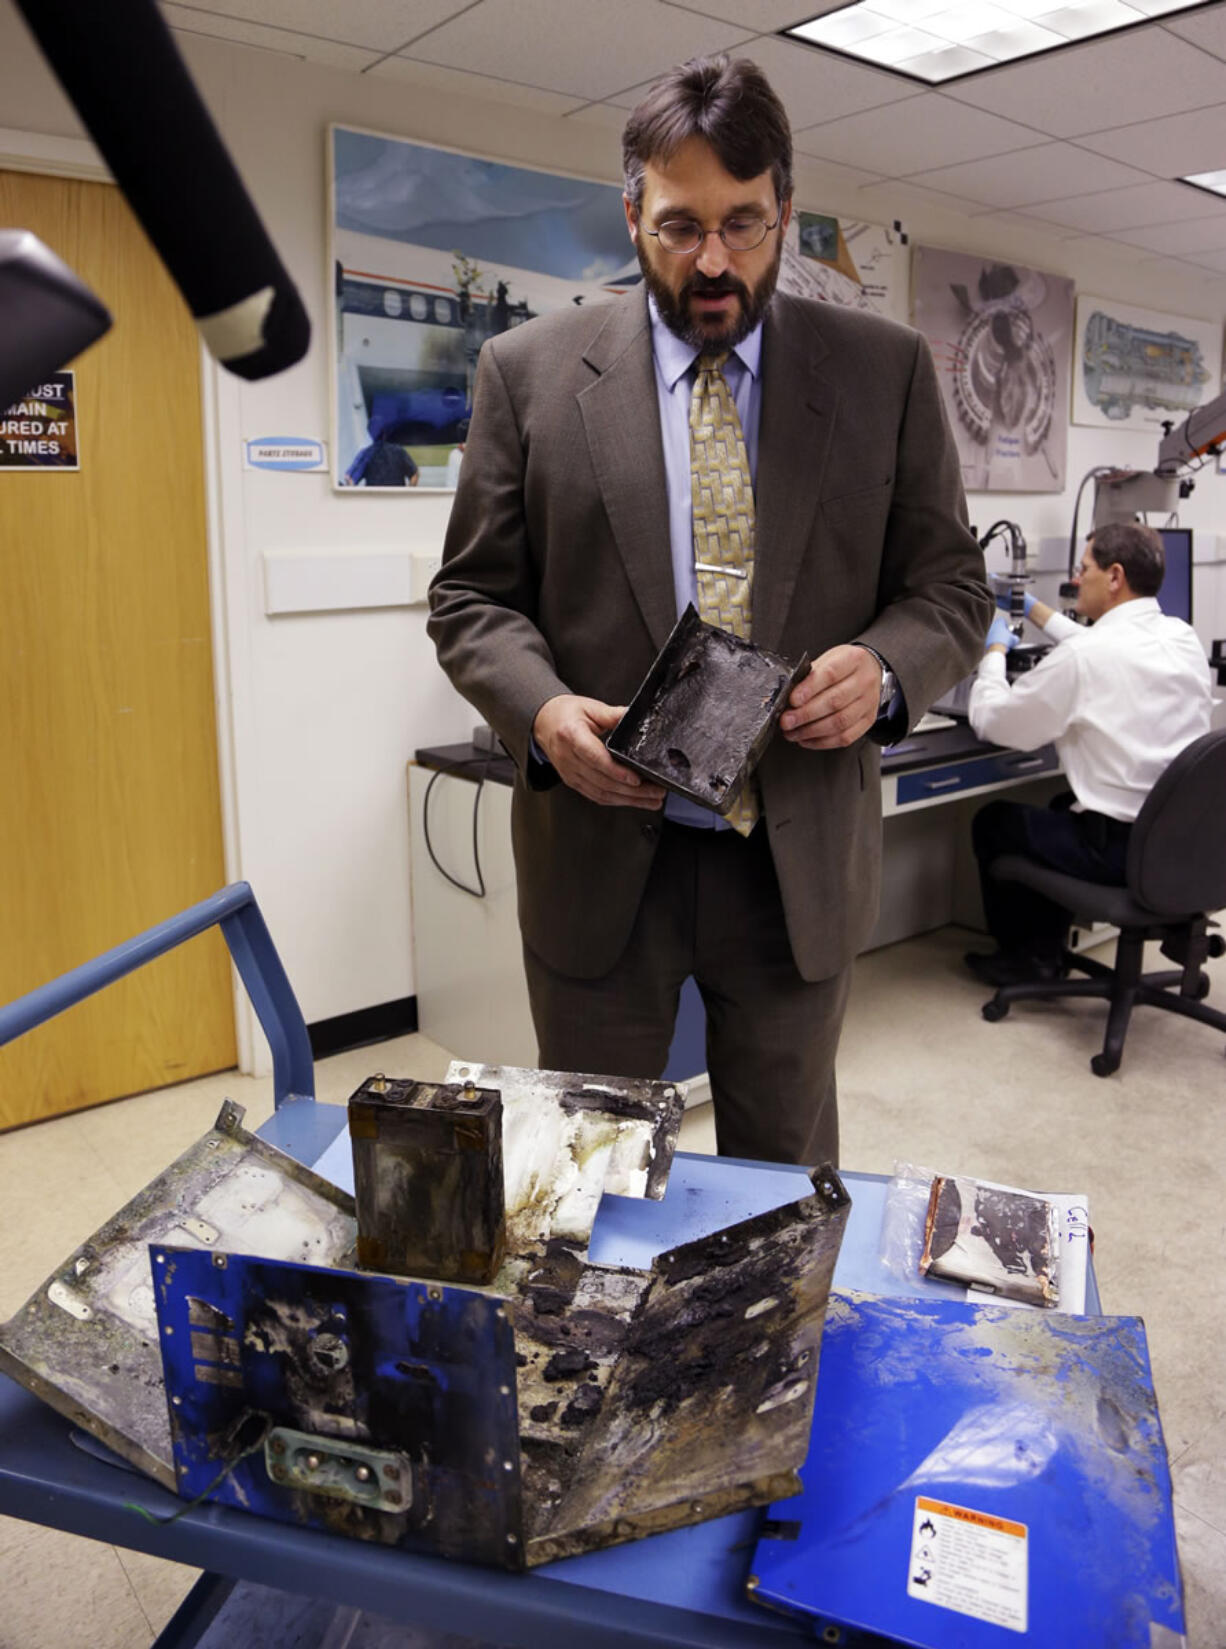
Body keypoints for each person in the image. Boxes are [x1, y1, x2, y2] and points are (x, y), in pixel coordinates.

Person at [428, 55, 991, 1167]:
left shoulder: (881, 374)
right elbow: (471, 598)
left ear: (785, 208)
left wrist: (882, 673)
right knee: (589, 1178)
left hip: (793, 865)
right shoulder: (526, 373)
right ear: (631, 211)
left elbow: (949, 587)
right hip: (600, 861)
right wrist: (540, 713)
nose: (716, 261)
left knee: (782, 1182)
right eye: (681, 227)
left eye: (744, 222)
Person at [966, 521, 1213, 987]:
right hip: (1182, 843)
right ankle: (1045, 950)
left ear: (1114, 576)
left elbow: (994, 721)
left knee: (996, 821)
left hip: (1121, 852)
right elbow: (1101, 649)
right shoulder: (1181, 637)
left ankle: (1027, 959)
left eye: (1084, 570)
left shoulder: (1087, 659)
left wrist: (993, 653)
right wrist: (1034, 610)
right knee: (1062, 807)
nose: (1076, 580)